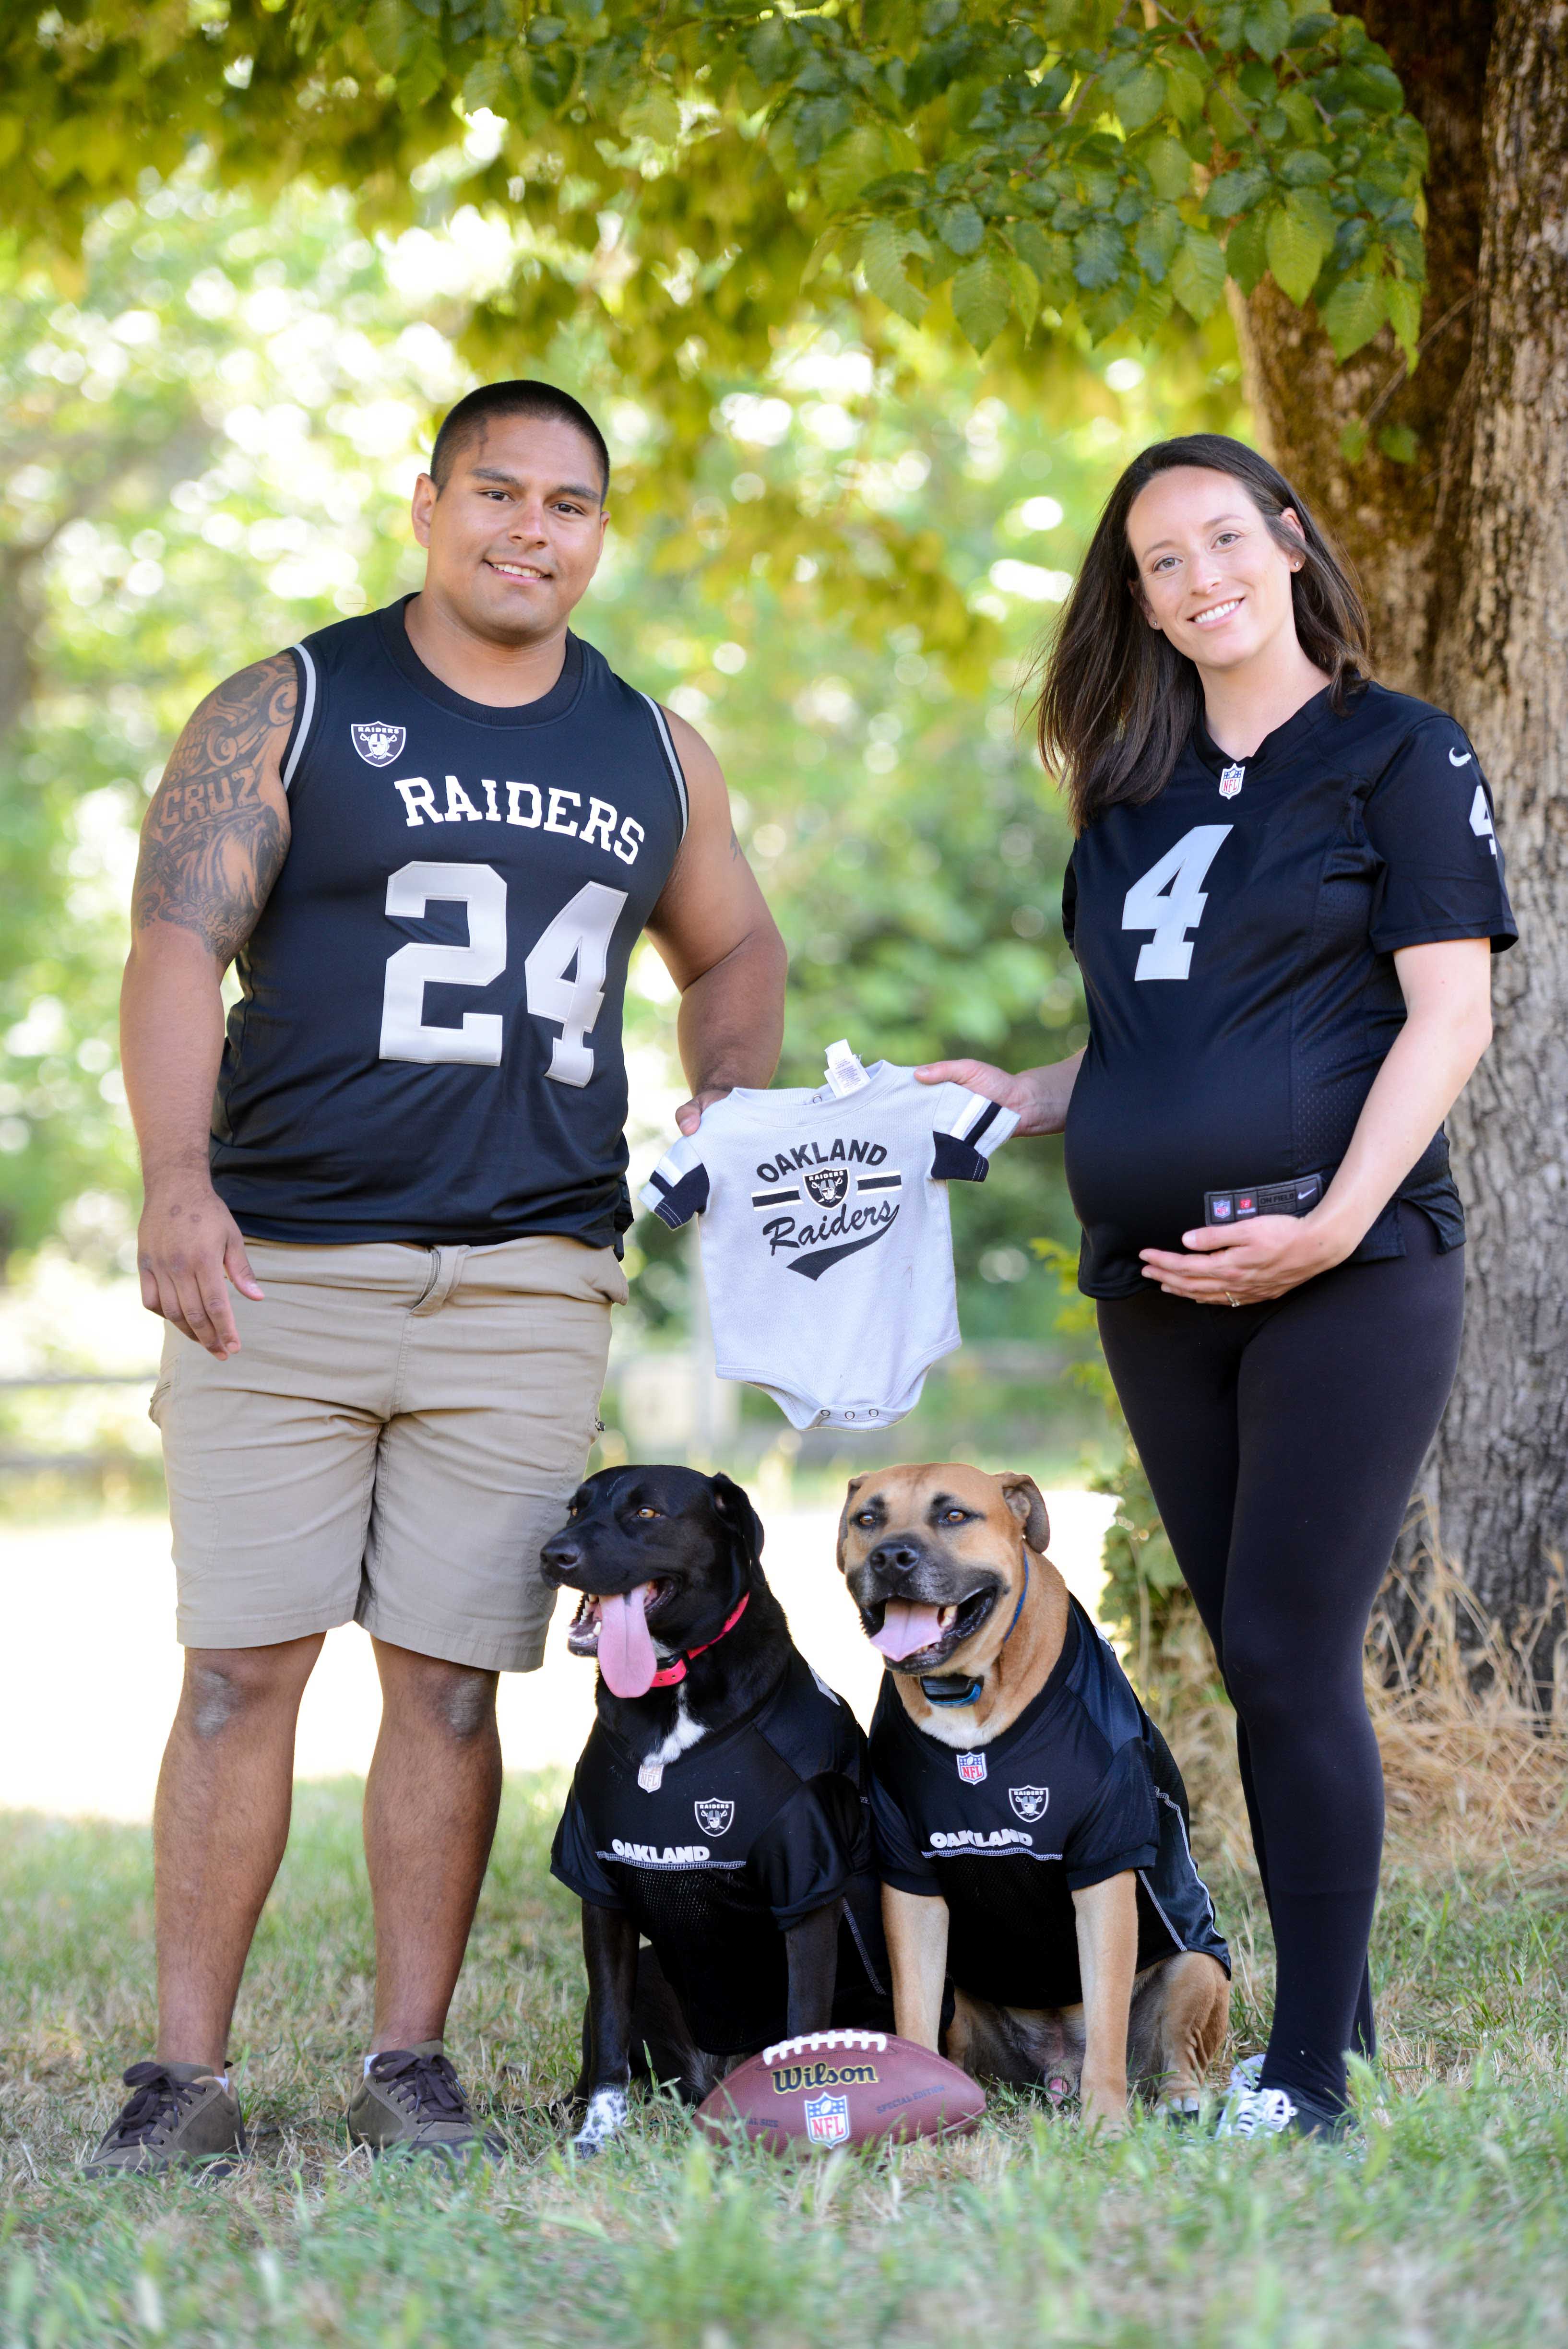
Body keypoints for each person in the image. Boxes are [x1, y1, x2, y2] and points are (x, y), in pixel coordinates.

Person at [90, 380, 786, 2175]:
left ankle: (412, 2060)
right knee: (242, 1672)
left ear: (598, 532)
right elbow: (177, 946)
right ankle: (183, 2077)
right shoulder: (294, 701)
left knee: (454, 1684)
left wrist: (729, 1091)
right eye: (497, 493)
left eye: (567, 505)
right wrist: (176, 1179)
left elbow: (736, 943)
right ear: (427, 503)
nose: (528, 530)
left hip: (529, 1279)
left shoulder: (652, 746)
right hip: (282, 1266)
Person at [918, 432, 1515, 2138]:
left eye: (1218, 541)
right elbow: (1145, 1033)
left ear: (1290, 543)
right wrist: (1023, 1096)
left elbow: (1447, 1016)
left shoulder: (1395, 754)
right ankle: (1340, 2019)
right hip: (1153, 1280)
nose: (1195, 579)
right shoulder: (1131, 786)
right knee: (1261, 1658)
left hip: (1349, 1269)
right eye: (1156, 564)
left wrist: (1328, 1222)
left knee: (1278, 1644)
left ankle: (1310, 2069)